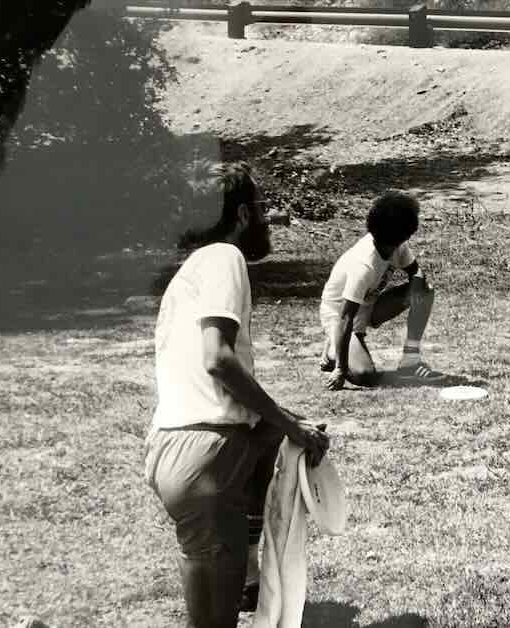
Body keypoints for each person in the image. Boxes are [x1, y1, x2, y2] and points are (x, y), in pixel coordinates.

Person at [145, 161, 330, 628]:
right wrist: (292, 426)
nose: (268, 219)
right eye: (264, 208)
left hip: (180, 450)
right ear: (244, 213)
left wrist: (289, 425)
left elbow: (220, 386)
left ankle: (249, 561)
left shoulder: (189, 273)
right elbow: (218, 360)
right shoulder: (223, 258)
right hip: (208, 455)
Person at [319, 190, 443, 390]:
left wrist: (417, 289)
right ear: (406, 232)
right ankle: (334, 349)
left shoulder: (397, 246)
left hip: (368, 306)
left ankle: (410, 360)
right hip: (339, 315)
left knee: (424, 290)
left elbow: (417, 275)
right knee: (364, 375)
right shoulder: (363, 264)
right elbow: (345, 317)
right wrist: (341, 370)